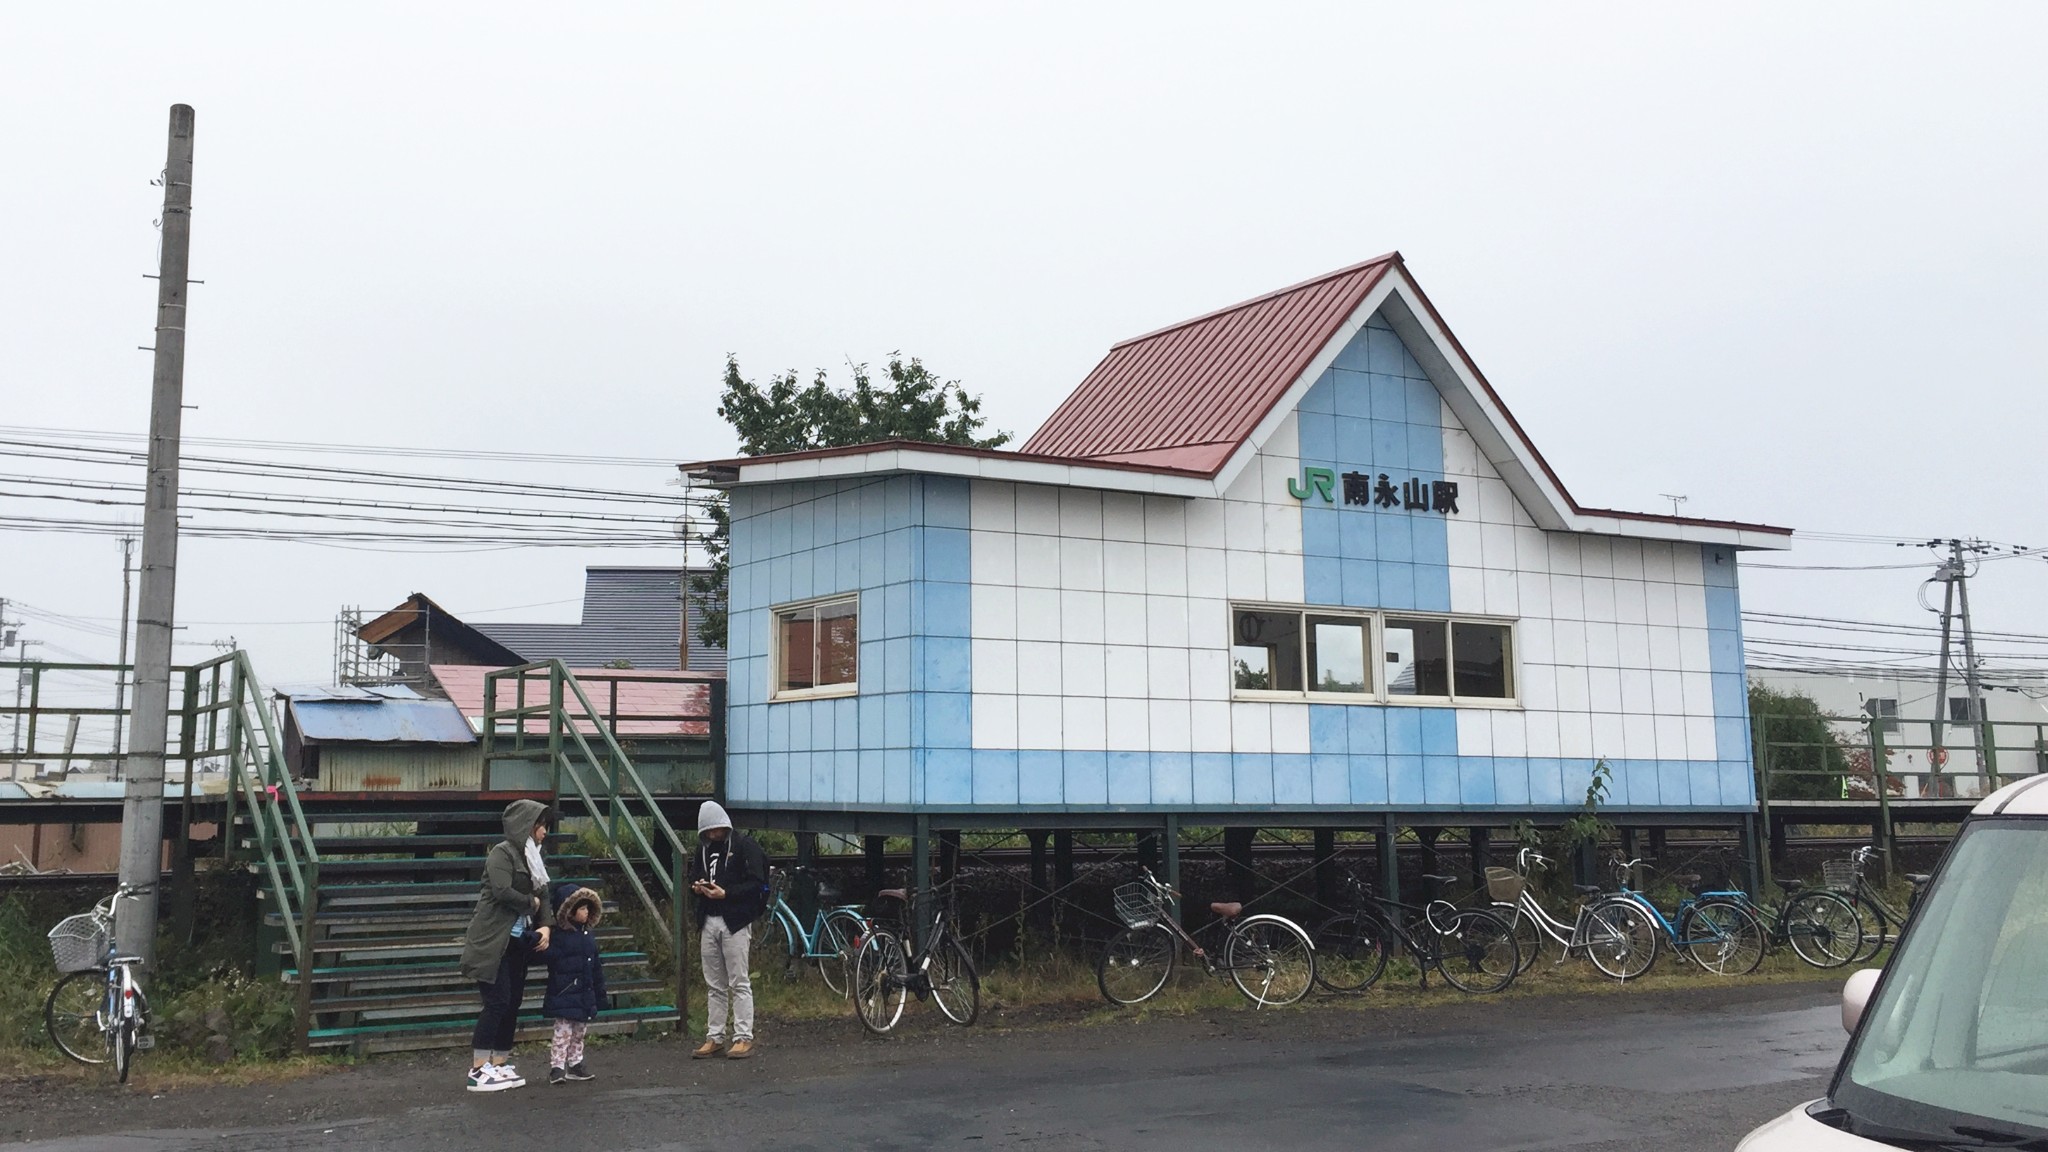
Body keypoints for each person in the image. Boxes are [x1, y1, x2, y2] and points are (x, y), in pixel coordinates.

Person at [459, 798, 553, 1092]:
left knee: (512, 1002)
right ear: (527, 826)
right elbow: (502, 891)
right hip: (492, 940)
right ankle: (478, 1068)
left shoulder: (533, 858)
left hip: (516, 942)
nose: (544, 833)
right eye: (541, 826)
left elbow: (545, 893)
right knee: (496, 1001)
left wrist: (546, 925)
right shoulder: (503, 853)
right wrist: (531, 903)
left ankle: (499, 1062)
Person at [688, 800, 767, 1060]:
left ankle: (743, 1036)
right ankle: (715, 1036)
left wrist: (727, 894)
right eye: (709, 831)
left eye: (718, 829)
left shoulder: (744, 846)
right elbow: (694, 876)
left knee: (739, 980)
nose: (714, 834)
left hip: (735, 921)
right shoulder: (702, 850)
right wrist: (698, 888)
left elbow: (757, 882)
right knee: (715, 984)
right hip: (709, 919)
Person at [541, 883, 607, 1085]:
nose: (586, 913)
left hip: (584, 992)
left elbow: (596, 967)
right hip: (564, 991)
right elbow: (548, 957)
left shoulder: (588, 937)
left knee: (579, 1032)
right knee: (562, 1032)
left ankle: (575, 1063)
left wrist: (599, 994)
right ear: (569, 912)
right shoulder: (558, 937)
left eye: (588, 908)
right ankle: (557, 1066)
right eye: (582, 909)